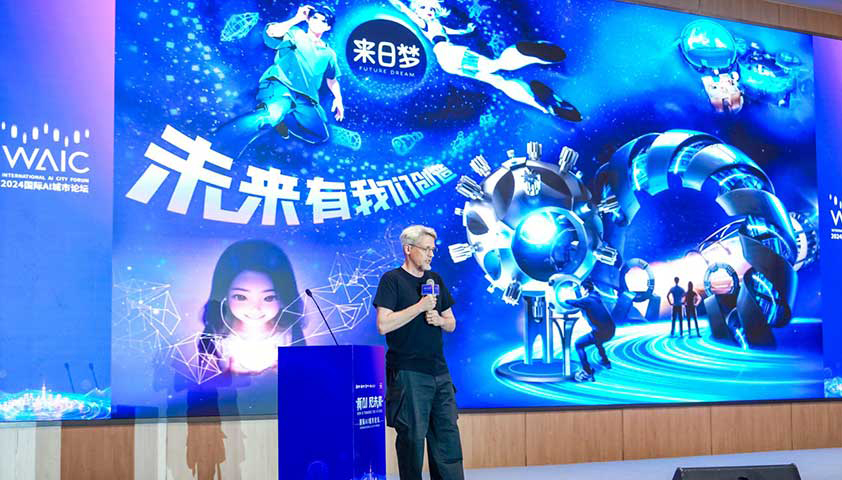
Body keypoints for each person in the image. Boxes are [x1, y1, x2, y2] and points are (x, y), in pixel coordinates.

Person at [387, 0, 581, 122]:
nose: (428, 11)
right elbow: (404, 9)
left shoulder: (435, 23)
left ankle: (543, 106)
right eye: (423, 7)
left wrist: (465, 30)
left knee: (497, 80)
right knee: (494, 65)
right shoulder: (423, 22)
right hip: (450, 54)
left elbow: (448, 32)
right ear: (416, 9)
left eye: (432, 8)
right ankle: (528, 53)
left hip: (449, 64)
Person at [373, 225, 464, 480]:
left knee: (447, 438)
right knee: (412, 440)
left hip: (439, 372)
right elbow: (383, 325)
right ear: (408, 249)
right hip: (408, 373)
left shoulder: (435, 280)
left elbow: (452, 323)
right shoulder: (392, 280)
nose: (431, 254)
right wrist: (420, 307)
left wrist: (440, 320)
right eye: (426, 249)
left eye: (433, 250)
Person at [213, 4, 345, 158]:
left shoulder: (329, 53)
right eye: (315, 17)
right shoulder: (294, 33)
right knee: (270, 116)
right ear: (309, 19)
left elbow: (332, 78)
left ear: (328, 27)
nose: (317, 22)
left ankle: (284, 119)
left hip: (305, 98)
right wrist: (296, 19)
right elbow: (272, 32)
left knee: (320, 135)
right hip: (281, 86)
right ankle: (221, 143)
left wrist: (338, 99)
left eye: (323, 21)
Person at [199, 239, 304, 374]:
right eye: (241, 297)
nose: (255, 309)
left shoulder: (288, 336)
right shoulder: (217, 337)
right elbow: (206, 380)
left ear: (284, 298)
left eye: (269, 298)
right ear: (224, 296)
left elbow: (301, 377)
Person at [565, 280, 615, 383]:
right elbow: (582, 302)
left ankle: (587, 372)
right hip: (610, 330)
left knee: (578, 344)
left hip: (601, 333)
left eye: (582, 289)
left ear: (586, 289)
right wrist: (577, 290)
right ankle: (606, 362)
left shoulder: (587, 301)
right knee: (597, 340)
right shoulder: (596, 297)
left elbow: (573, 302)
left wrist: (562, 299)